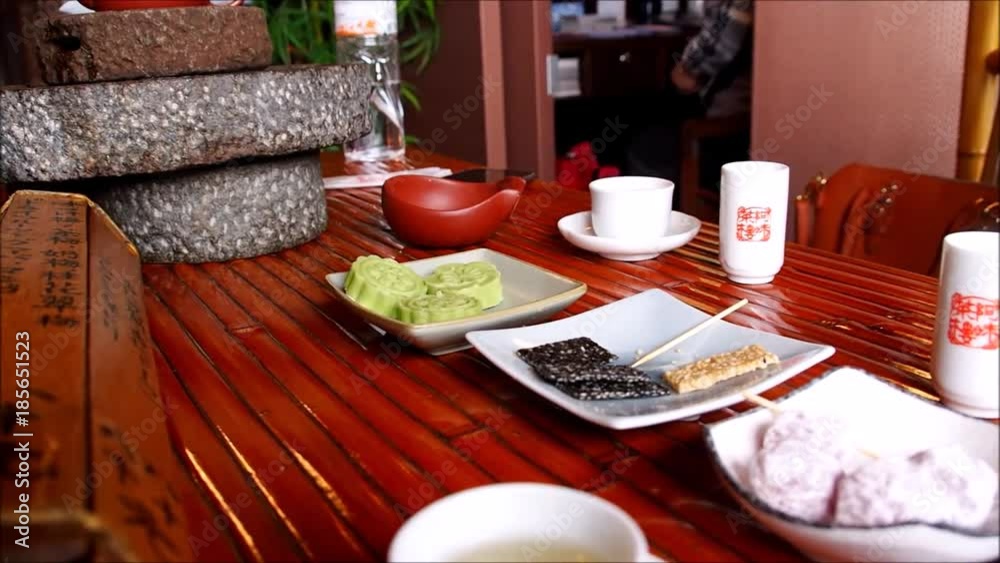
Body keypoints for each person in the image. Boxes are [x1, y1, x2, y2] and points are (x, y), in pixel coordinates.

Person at [624, 0, 754, 181]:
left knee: (634, 131)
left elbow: (716, 50)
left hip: (723, 127)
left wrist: (687, 67)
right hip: (737, 117)